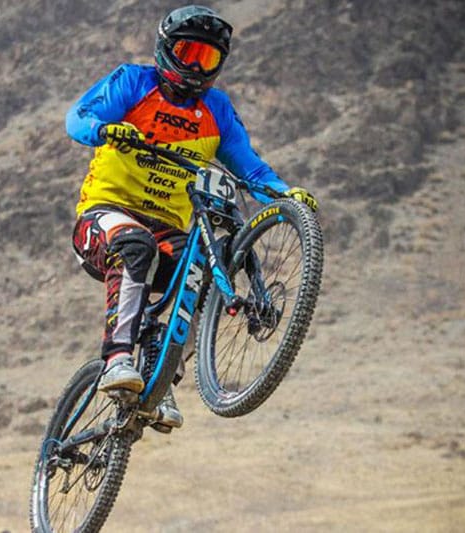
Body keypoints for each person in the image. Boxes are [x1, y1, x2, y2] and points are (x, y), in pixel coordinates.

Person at [65, 5, 317, 431]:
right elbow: (78, 117)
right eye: (188, 53)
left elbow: (251, 170)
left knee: (207, 271)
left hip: (167, 228)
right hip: (104, 216)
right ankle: (117, 360)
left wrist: (285, 193)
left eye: (208, 58)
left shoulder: (216, 109)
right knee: (136, 246)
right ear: (166, 50)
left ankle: (162, 379)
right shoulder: (133, 83)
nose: (197, 67)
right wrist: (105, 130)